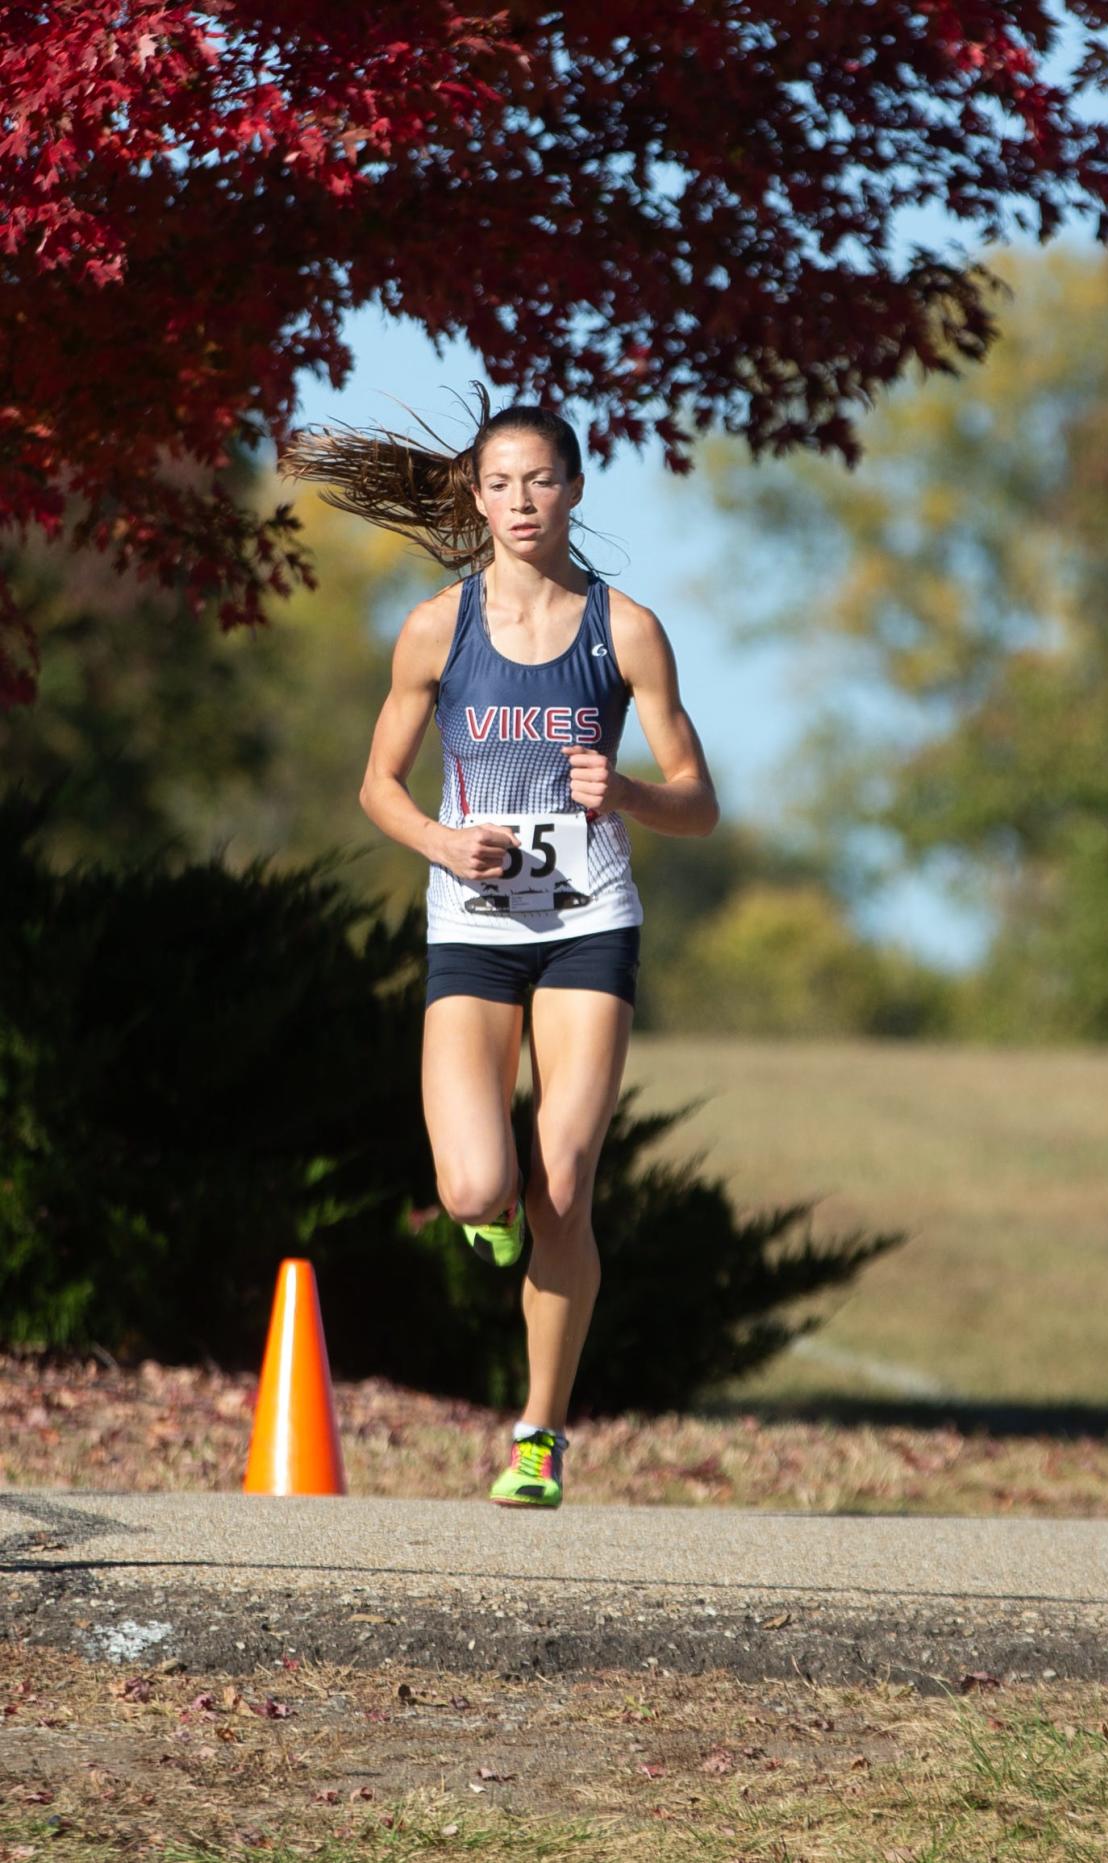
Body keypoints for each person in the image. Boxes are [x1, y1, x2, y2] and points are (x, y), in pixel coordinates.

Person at [279, 393, 718, 1507]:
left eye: (542, 480)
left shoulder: (628, 631)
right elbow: (376, 784)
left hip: (586, 923)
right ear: (476, 499)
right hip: (472, 928)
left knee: (564, 1185)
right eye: (501, 483)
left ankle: (538, 1435)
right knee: (478, 1186)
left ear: (574, 490)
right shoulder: (438, 626)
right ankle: (501, 1215)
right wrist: (436, 838)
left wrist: (621, 791)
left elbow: (698, 802)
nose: (523, 501)